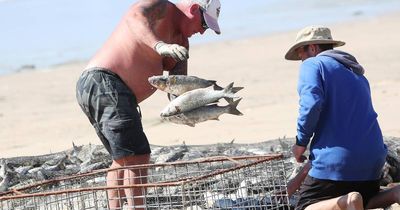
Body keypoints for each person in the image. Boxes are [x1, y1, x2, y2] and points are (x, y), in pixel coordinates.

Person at [75, 0, 221, 209]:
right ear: (194, 10)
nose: (202, 32)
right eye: (204, 24)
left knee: (123, 159)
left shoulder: (181, 44)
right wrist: (160, 46)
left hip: (105, 91)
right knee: (138, 155)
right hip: (103, 80)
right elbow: (135, 18)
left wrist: (202, 105)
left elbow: (177, 91)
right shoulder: (161, 7)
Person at [285, 26, 400, 210]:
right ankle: (395, 193)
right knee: (365, 199)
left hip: (337, 163)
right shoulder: (356, 73)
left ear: (313, 48)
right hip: (373, 162)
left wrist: (301, 142)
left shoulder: (313, 64)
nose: (301, 60)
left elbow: (311, 104)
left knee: (304, 206)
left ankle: (348, 201)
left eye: (301, 54)